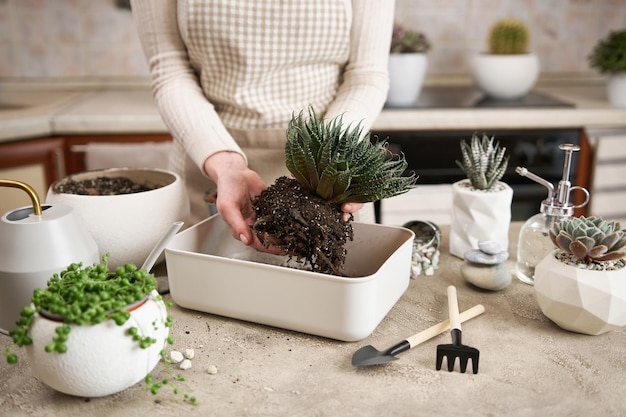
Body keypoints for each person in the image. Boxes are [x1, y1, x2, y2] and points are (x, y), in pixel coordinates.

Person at [130, 0, 395, 252]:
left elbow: (366, 74)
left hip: (328, 159)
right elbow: (170, 69)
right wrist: (226, 165)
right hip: (213, 160)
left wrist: (327, 156)